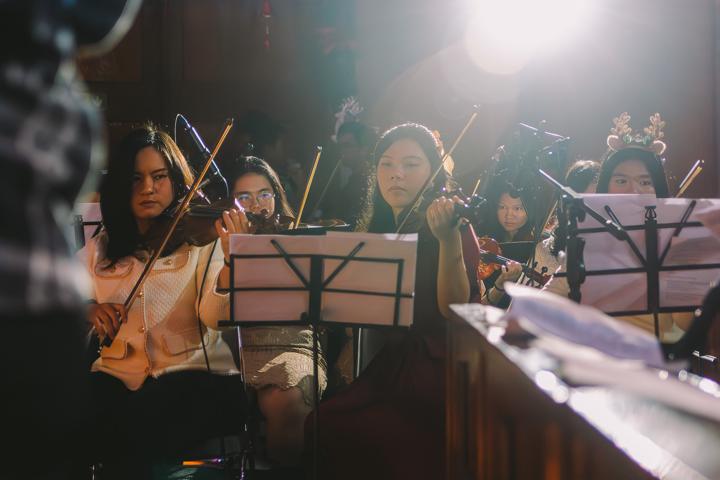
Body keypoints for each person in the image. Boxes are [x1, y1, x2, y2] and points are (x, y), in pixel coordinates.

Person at [303, 122, 481, 480]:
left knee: (369, 432)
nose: (396, 174)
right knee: (322, 424)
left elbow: (453, 309)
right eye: (386, 164)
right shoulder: (378, 230)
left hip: (440, 363)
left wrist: (446, 239)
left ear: (433, 173)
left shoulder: (452, 224)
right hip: (390, 360)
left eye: (411, 164)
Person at [78, 125, 248, 479]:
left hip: (195, 379)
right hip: (117, 377)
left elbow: (215, 317)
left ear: (176, 182)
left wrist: (234, 260)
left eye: (159, 177)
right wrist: (89, 309)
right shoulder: (101, 247)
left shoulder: (204, 243)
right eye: (135, 179)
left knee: (137, 421)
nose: (148, 188)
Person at [542, 114, 692, 338]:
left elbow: (686, 326)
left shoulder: (677, 242)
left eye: (645, 182)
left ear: (658, 190)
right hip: (595, 355)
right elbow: (541, 306)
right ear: (606, 188)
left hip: (654, 356)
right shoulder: (588, 243)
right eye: (621, 181)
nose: (634, 191)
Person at [226, 156, 327, 466]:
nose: (257, 205)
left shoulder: (298, 239)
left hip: (294, 345)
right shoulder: (218, 242)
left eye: (264, 194)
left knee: (287, 400)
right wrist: (234, 250)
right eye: (244, 197)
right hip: (237, 348)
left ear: (277, 196)